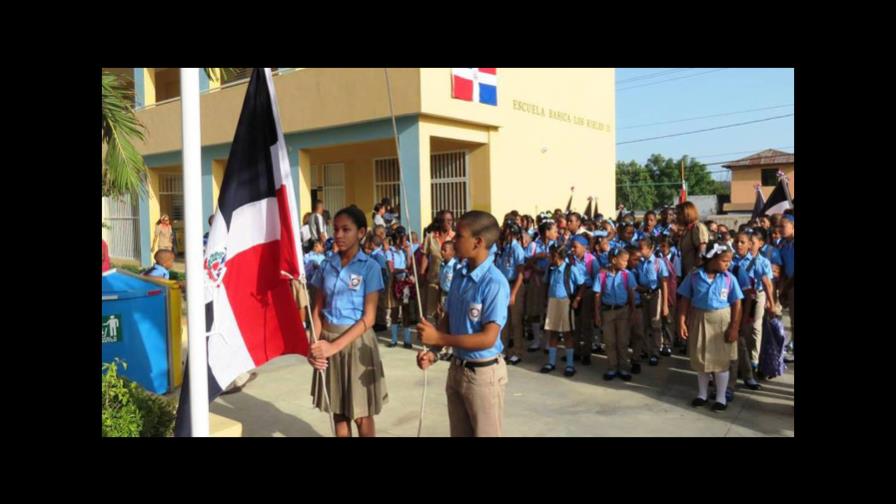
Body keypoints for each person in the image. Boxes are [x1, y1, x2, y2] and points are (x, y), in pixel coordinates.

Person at [415, 211, 510, 437]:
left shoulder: (494, 283)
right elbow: (450, 318)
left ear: (478, 242)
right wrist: (434, 351)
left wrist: (440, 339)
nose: (453, 239)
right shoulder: (459, 273)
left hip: (483, 376)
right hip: (457, 369)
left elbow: (488, 338)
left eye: (459, 235)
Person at [308, 205, 387, 437]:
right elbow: (318, 310)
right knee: (338, 410)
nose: (339, 235)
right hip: (327, 339)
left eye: (346, 229)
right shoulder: (326, 265)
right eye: (335, 229)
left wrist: (334, 347)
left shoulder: (370, 267)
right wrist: (314, 345)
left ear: (361, 233)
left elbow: (369, 318)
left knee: (361, 413)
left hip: (357, 342)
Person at [678, 241, 744, 412]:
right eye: (724, 261)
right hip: (699, 318)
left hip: (722, 321)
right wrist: (681, 321)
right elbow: (685, 299)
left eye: (729, 261)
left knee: (721, 361)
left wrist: (734, 328)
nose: (727, 264)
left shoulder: (729, 278)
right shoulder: (693, 276)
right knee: (701, 360)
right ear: (712, 259)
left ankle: (721, 397)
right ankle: (702, 394)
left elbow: (737, 303)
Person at [539, 244, 584, 377]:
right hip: (553, 302)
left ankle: (570, 365)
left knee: (567, 334)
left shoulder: (571, 269)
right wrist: (545, 301)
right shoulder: (551, 269)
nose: (549, 257)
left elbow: (582, 285)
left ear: (558, 256)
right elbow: (546, 283)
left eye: (551, 254)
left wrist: (576, 300)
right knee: (553, 332)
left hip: (566, 302)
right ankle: (551, 362)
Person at [594, 247, 637, 381]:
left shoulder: (627, 275)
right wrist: (597, 314)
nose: (626, 263)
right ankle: (612, 367)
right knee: (609, 341)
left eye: (627, 261)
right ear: (613, 260)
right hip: (607, 312)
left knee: (623, 341)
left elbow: (631, 293)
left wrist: (633, 310)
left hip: (623, 311)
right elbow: (597, 295)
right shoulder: (601, 275)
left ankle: (623, 367)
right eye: (623, 260)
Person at [634, 236, 669, 367]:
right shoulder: (639, 263)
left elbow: (664, 283)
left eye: (641, 248)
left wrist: (665, 304)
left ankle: (655, 352)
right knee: (643, 324)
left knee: (655, 323)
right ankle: (645, 349)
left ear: (649, 249)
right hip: (643, 295)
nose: (639, 251)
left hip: (655, 294)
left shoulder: (658, 263)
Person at [525, 220, 558, 352]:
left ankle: (548, 341)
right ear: (546, 232)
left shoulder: (556, 245)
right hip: (536, 281)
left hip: (551, 281)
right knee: (535, 310)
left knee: (548, 311)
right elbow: (525, 263)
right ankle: (536, 340)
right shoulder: (533, 245)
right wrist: (536, 258)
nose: (556, 233)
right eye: (554, 231)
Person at [497, 222, 527, 365]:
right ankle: (502, 350)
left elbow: (521, 273)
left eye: (507, 231)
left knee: (516, 321)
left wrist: (514, 293)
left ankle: (517, 351)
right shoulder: (502, 248)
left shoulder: (517, 249)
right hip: (503, 285)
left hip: (514, 284)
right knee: (503, 320)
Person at [419, 210, 456, 322]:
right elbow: (425, 256)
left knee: (445, 314)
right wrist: (421, 273)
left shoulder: (455, 237)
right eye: (447, 220)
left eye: (451, 220)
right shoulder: (430, 237)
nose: (449, 223)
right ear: (440, 222)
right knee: (431, 312)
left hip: (449, 285)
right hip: (433, 281)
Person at [386, 228, 416, 349]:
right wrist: (403, 270)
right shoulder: (390, 252)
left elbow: (409, 265)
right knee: (394, 311)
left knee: (406, 310)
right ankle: (393, 339)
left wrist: (408, 253)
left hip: (404, 283)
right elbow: (391, 269)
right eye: (403, 238)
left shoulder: (405, 251)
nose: (405, 241)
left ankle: (407, 339)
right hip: (394, 282)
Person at [569, 234, 596, 364]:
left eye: (575, 247)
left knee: (586, 325)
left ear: (584, 247)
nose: (573, 249)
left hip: (587, 293)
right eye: (572, 246)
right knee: (575, 324)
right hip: (574, 292)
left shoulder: (591, 260)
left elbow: (596, 279)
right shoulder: (571, 259)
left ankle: (586, 353)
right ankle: (575, 351)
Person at [676, 202, 710, 277]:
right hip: (687, 274)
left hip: (696, 274)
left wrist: (695, 269)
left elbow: (702, 251)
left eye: (679, 214)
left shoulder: (698, 227)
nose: (677, 217)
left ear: (687, 214)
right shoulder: (687, 230)